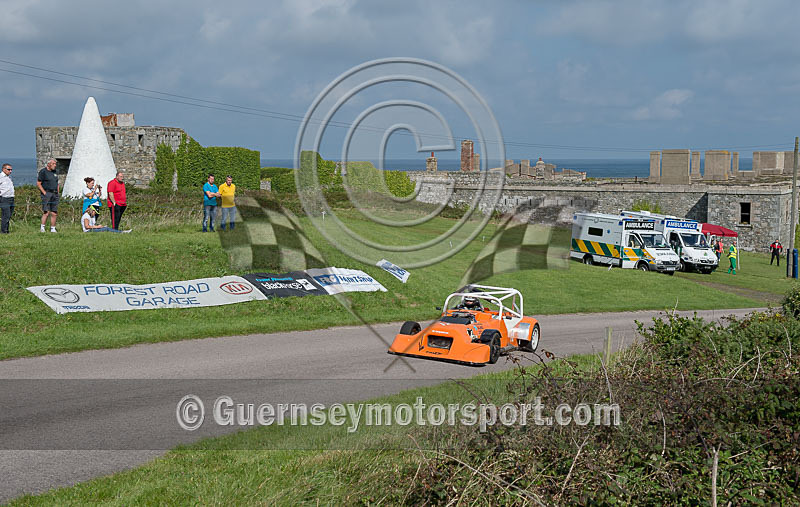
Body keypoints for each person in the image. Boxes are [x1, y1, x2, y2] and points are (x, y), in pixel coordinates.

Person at [36, 158, 59, 233]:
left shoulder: (54, 172)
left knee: (54, 212)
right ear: (48, 164)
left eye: (55, 164)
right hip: (47, 193)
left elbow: (57, 183)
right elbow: (39, 183)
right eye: (53, 164)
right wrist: (44, 193)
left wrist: (57, 192)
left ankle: (53, 228)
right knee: (46, 211)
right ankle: (42, 228)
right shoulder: (43, 172)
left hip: (55, 193)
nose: (55, 165)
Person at [0, 163, 14, 234]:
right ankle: (3, 231)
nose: (10, 171)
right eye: (9, 169)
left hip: (11, 199)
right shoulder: (0, 177)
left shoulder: (9, 177)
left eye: (11, 170)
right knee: (6, 215)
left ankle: (6, 230)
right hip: (4, 199)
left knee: (9, 216)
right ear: (3, 169)